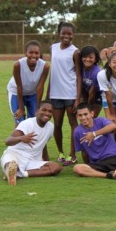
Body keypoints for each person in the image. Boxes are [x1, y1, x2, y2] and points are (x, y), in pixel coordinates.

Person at [73, 103, 116, 181]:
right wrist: (88, 165)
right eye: (80, 115)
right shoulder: (77, 132)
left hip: (115, 156)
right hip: (98, 162)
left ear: (92, 114)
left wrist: (94, 134)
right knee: (77, 168)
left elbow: (113, 126)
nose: (83, 118)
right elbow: (84, 151)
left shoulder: (100, 121)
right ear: (77, 116)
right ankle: (108, 175)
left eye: (85, 114)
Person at [0, 100, 62, 185]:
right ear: (36, 111)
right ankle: (12, 170)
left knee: (56, 167)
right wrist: (21, 138)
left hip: (32, 160)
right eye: (44, 110)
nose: (47, 113)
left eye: (50, 111)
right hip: (15, 154)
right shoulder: (27, 124)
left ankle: (19, 174)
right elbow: (8, 141)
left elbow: (43, 144)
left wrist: (47, 161)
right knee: (10, 163)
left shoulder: (51, 127)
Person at [47, 22, 82, 166]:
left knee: (73, 123)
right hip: (55, 94)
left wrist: (77, 98)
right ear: (59, 33)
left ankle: (72, 154)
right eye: (64, 33)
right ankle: (60, 152)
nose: (66, 36)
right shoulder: (53, 48)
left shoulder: (75, 52)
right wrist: (48, 93)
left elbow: (79, 75)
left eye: (69, 34)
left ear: (73, 35)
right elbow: (53, 71)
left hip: (70, 93)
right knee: (57, 124)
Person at [7, 40, 50, 127]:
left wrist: (38, 108)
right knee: (20, 120)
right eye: (31, 52)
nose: (33, 55)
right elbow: (19, 87)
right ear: (26, 53)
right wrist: (21, 108)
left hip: (32, 93)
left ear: (40, 54)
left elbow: (40, 88)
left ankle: (31, 140)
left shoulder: (45, 66)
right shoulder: (18, 65)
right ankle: (18, 139)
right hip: (16, 92)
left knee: (34, 120)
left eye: (36, 53)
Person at [80, 45, 103, 117]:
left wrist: (88, 107)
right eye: (85, 57)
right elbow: (81, 87)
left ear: (95, 59)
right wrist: (83, 101)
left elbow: (92, 93)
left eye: (91, 57)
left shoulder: (97, 72)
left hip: (98, 94)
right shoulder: (80, 68)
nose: (87, 59)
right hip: (86, 92)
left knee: (91, 117)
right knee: (84, 117)